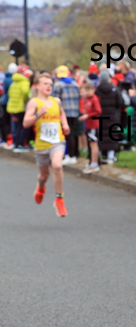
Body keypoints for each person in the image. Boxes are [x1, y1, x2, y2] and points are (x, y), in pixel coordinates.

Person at [23, 74, 71, 217]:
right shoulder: (34, 103)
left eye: (50, 83)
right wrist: (38, 114)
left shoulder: (56, 101)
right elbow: (25, 123)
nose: (49, 86)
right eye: (45, 83)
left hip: (57, 140)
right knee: (44, 175)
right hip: (42, 144)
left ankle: (59, 199)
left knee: (57, 166)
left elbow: (61, 113)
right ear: (37, 86)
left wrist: (65, 124)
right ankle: (41, 188)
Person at [52, 65, 80, 165]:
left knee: (67, 134)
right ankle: (75, 154)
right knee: (73, 133)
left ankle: (70, 155)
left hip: (64, 112)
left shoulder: (58, 84)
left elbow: (55, 100)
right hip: (74, 111)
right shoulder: (74, 83)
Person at [78, 83, 102, 174]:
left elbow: (98, 111)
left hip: (93, 125)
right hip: (88, 124)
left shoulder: (94, 99)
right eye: (86, 90)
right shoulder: (87, 99)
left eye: (89, 90)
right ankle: (92, 161)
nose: (87, 92)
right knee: (91, 144)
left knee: (93, 144)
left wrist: (88, 115)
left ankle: (95, 163)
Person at [7, 64, 31, 151]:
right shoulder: (25, 82)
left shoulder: (14, 82)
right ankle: (19, 144)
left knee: (15, 127)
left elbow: (9, 93)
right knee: (21, 127)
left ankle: (15, 143)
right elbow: (26, 93)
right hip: (21, 107)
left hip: (13, 107)